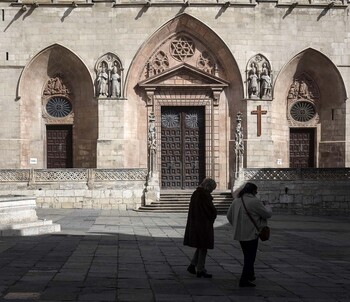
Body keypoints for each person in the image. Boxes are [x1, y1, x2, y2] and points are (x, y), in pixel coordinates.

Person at [226, 182, 272, 287]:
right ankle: (244, 280)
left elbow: (229, 216)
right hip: (252, 234)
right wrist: (268, 206)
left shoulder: (236, 200)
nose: (256, 193)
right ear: (253, 191)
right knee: (250, 258)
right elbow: (267, 214)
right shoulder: (254, 201)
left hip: (240, 234)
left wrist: (237, 225)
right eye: (256, 191)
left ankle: (251, 275)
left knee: (247, 255)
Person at [184, 178, 217, 278]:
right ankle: (200, 269)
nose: (212, 191)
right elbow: (210, 210)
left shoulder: (196, 194)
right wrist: (213, 214)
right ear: (208, 186)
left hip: (196, 223)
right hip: (203, 225)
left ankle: (192, 265)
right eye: (212, 188)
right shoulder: (204, 196)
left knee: (201, 246)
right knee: (203, 248)